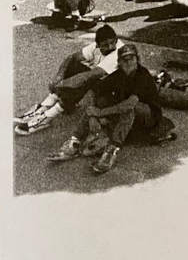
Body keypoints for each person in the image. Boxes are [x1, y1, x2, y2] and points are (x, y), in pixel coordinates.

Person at [48, 43, 164, 174]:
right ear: (119, 62)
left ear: (137, 59)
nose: (128, 62)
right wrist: (92, 115)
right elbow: (95, 91)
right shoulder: (119, 74)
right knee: (102, 100)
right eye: (124, 59)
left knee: (128, 109)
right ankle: (75, 141)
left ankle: (112, 150)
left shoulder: (142, 75)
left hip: (149, 117)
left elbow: (130, 104)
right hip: (126, 114)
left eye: (131, 58)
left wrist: (100, 113)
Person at [15, 24, 123, 135]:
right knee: (75, 65)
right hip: (98, 78)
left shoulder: (117, 53)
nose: (110, 47)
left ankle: (47, 117)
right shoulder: (95, 46)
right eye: (105, 45)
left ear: (116, 39)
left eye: (113, 42)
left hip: (114, 90)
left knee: (85, 80)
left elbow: (90, 75)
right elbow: (72, 57)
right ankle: (44, 106)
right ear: (97, 45)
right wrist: (58, 77)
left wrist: (61, 85)